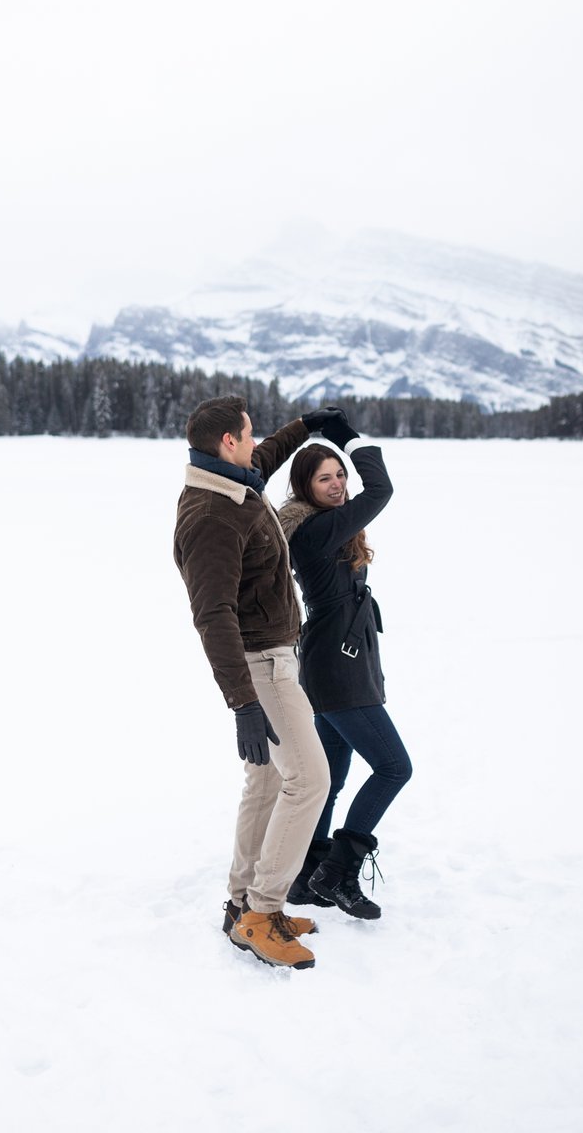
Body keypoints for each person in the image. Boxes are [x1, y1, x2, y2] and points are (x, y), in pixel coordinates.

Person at [172, 395, 344, 969]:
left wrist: (305, 428)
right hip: (260, 665)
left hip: (270, 657)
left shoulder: (233, 482)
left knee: (268, 782)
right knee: (310, 780)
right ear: (227, 442)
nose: (257, 440)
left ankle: (243, 900)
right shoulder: (211, 515)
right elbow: (212, 614)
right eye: (249, 433)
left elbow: (265, 458)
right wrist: (243, 703)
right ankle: (262, 912)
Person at [275, 410, 409, 921]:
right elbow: (381, 489)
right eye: (324, 478)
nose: (337, 485)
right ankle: (339, 869)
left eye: (340, 475)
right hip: (338, 668)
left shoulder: (332, 528)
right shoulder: (317, 531)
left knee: (330, 773)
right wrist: (347, 440)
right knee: (395, 767)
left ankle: (309, 873)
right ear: (305, 488)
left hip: (340, 662)